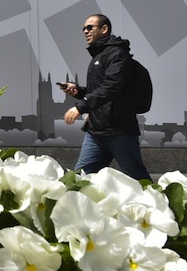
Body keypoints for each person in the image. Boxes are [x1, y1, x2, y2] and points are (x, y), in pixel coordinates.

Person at [59, 14, 152, 181]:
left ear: (104, 29)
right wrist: (79, 91)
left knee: (137, 179)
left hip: (119, 130)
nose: (85, 31)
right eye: (84, 29)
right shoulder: (99, 56)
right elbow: (100, 90)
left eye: (90, 27)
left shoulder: (117, 54)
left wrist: (81, 106)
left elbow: (112, 87)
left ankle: (156, 205)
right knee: (79, 179)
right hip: (96, 131)